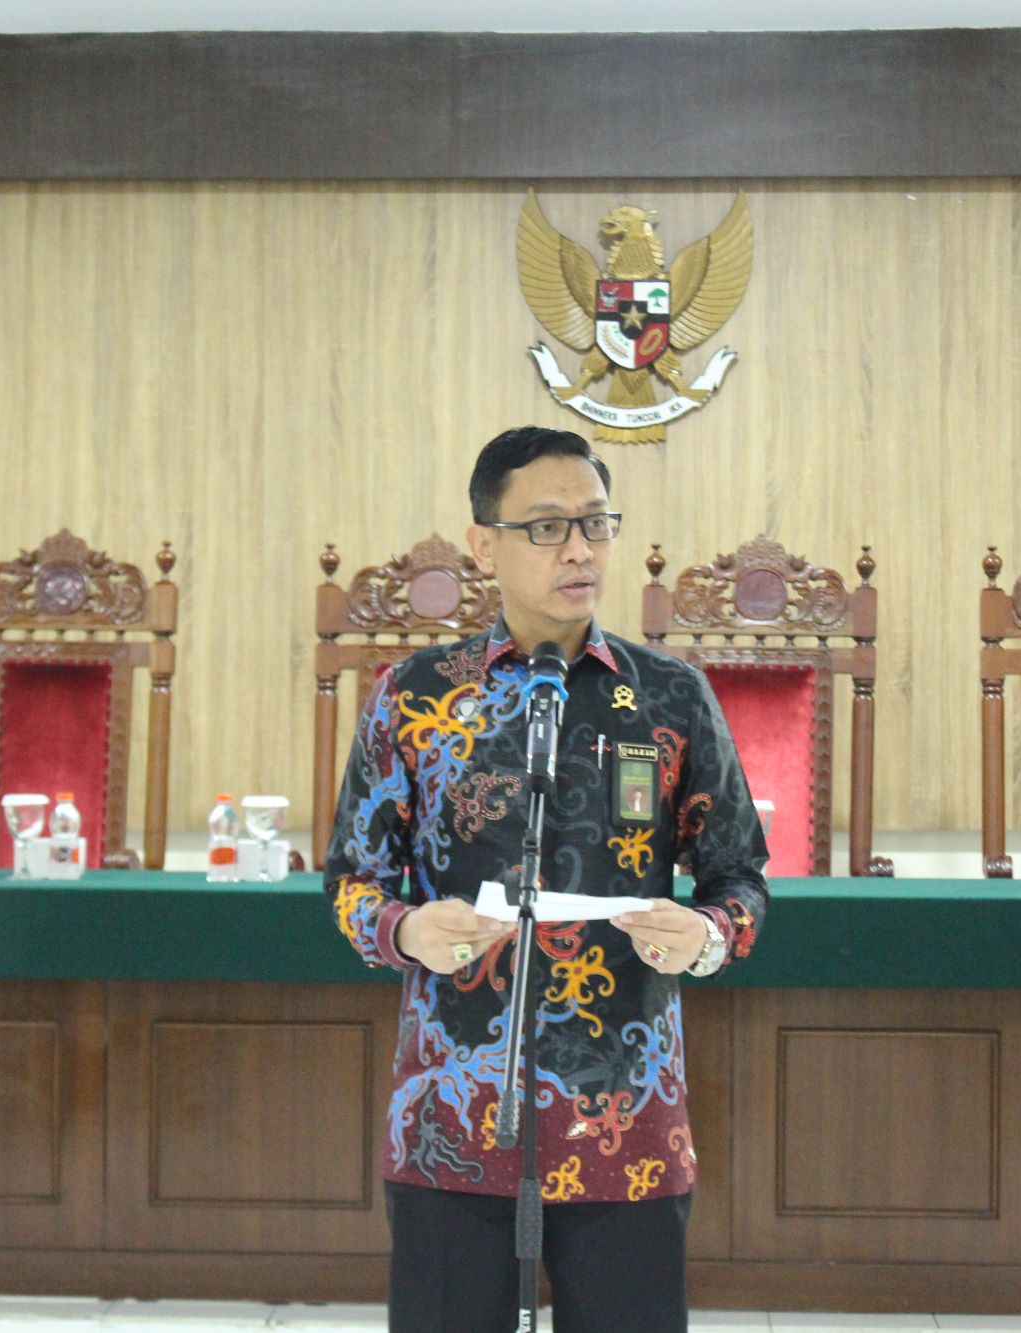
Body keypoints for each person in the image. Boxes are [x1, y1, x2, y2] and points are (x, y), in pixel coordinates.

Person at [325, 425, 770, 1332]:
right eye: (546, 527)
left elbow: (740, 878)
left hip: (625, 1112)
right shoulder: (417, 694)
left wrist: (709, 935)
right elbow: (352, 881)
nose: (579, 548)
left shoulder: (669, 694)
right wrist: (406, 930)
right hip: (453, 1110)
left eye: (596, 523)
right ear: (484, 545)